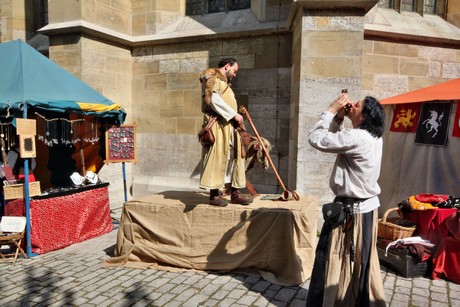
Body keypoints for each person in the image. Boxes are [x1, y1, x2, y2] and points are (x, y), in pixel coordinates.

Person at [307, 93, 386, 306]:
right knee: (360, 262)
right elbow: (341, 141)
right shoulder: (373, 137)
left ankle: (337, 301)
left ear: (365, 115)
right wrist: (340, 120)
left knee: (333, 257)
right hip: (366, 210)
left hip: (352, 214)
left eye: (358, 105)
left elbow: (316, 139)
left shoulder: (357, 137)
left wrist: (331, 111)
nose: (353, 104)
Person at [198, 57, 253, 207]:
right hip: (218, 125)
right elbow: (214, 100)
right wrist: (233, 114)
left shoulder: (223, 83)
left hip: (229, 126)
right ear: (227, 66)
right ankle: (214, 196)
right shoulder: (212, 79)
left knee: (235, 157)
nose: (235, 75)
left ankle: (235, 193)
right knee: (218, 157)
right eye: (234, 71)